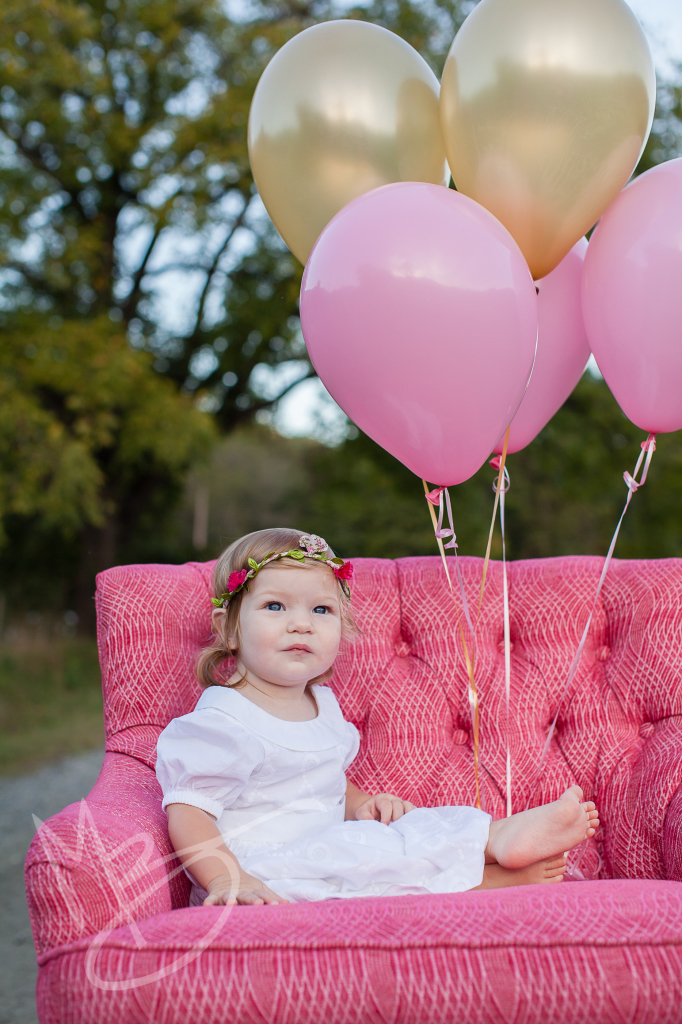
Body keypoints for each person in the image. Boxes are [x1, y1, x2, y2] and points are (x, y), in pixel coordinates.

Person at [156, 528, 599, 906]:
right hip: (268, 872)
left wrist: (361, 803)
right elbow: (190, 811)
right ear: (229, 627)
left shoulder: (321, 705)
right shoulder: (222, 723)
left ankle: (498, 838)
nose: (301, 624)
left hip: (328, 848)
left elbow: (325, 779)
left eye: (321, 610)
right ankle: (497, 878)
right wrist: (226, 878)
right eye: (275, 606)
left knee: (408, 829)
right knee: (366, 861)